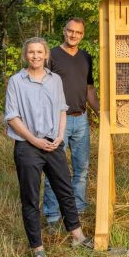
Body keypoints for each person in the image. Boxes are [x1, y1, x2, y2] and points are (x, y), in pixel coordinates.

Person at [5, 37, 93, 257]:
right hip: (27, 146)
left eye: (39, 52)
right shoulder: (16, 81)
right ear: (26, 55)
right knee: (31, 198)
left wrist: (61, 136)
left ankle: (77, 236)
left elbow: (62, 109)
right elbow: (12, 117)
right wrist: (34, 140)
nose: (35, 56)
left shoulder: (54, 80)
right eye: (31, 52)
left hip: (53, 144)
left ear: (46, 55)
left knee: (65, 190)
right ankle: (38, 248)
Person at [43, 17, 99, 229]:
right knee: (54, 170)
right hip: (57, 121)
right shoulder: (52, 57)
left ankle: (78, 212)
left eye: (78, 32)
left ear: (82, 35)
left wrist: (101, 112)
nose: (73, 35)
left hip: (81, 120)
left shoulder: (86, 57)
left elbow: (90, 91)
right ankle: (53, 217)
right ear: (63, 31)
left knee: (82, 169)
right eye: (70, 31)